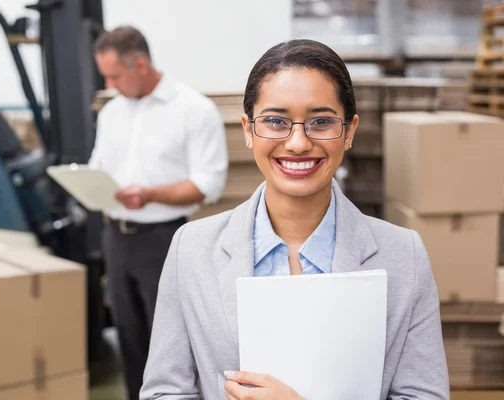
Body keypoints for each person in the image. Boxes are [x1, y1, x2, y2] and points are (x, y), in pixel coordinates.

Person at [140, 39, 449, 400]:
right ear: (248, 130)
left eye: (321, 121)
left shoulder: (403, 256)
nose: (299, 143)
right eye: (275, 121)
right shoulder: (191, 249)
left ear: (349, 131)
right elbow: (165, 392)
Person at [88, 26, 228, 400]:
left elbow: (208, 183)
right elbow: (98, 165)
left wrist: (151, 194)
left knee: (170, 342)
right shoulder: (112, 112)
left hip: (164, 239)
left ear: (141, 64)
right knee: (129, 336)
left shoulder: (193, 110)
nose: (109, 82)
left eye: (115, 74)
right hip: (116, 238)